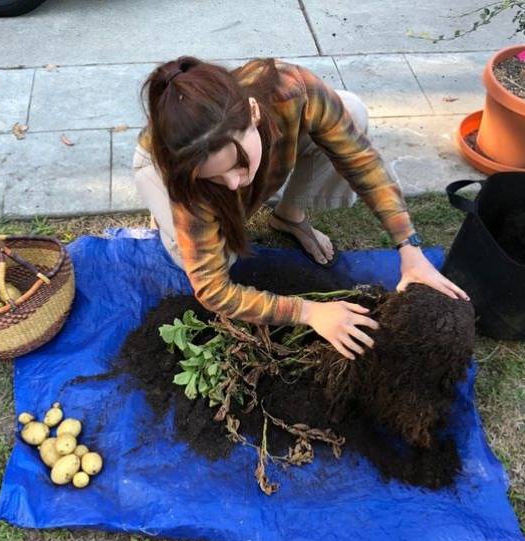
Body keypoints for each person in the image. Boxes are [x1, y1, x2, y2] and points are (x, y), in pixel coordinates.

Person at [133, 56, 469, 360]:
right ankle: (166, 218)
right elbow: (213, 290)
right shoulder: (188, 184)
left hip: (246, 139)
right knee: (215, 258)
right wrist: (309, 312)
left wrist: (408, 246)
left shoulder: (290, 90)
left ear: (252, 112)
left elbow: (360, 159)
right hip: (166, 176)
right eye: (217, 175)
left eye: (237, 163)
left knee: (351, 111)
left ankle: (289, 217)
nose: (234, 183)